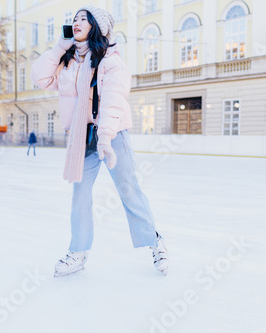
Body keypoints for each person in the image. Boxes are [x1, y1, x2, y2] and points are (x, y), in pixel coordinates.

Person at [31, 6, 168, 277]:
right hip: (82, 137)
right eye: (74, 19)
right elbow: (40, 78)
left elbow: (114, 101)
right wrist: (59, 48)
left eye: (84, 18)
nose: (77, 22)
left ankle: (155, 242)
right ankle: (78, 252)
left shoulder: (111, 60)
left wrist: (106, 137)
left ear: (97, 26)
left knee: (128, 189)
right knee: (79, 197)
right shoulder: (68, 61)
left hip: (112, 132)